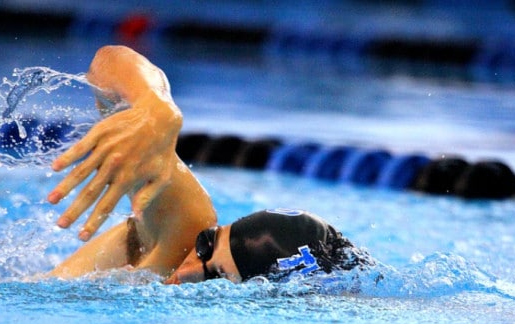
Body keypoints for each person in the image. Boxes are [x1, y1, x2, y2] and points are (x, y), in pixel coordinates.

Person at [45, 45, 368, 284]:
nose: (185, 271)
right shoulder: (185, 229)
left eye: (214, 276)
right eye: (206, 245)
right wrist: (154, 104)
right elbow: (105, 63)